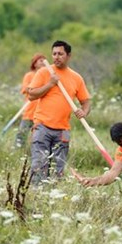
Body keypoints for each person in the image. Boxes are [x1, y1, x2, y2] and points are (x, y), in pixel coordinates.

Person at [27, 40, 90, 184]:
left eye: (60, 54)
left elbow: (86, 101)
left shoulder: (76, 78)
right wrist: (50, 83)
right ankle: (36, 197)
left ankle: (53, 196)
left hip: (62, 130)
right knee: (39, 166)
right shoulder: (44, 72)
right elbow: (31, 95)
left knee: (58, 170)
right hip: (42, 126)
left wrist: (84, 111)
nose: (56, 57)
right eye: (54, 54)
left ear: (68, 56)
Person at [14, 53, 46, 149]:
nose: (43, 63)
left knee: (37, 137)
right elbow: (25, 89)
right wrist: (37, 87)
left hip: (41, 112)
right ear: (35, 63)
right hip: (29, 110)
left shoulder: (47, 76)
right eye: (41, 61)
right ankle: (18, 150)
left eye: (45, 61)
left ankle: (32, 152)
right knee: (22, 134)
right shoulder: (29, 75)